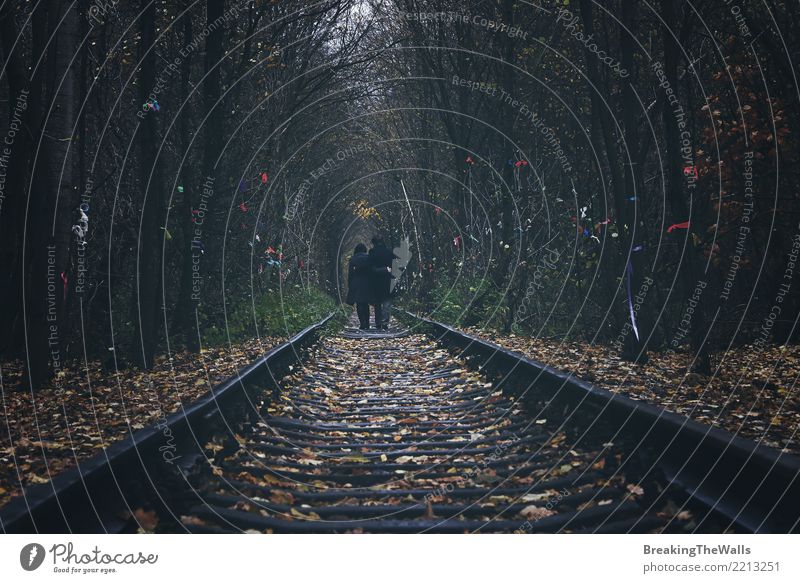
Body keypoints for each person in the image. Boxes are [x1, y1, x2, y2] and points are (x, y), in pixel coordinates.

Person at [368, 235, 398, 330]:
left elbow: (370, 268)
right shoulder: (389, 252)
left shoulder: (372, 252)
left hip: (376, 281)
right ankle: (385, 322)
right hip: (388, 280)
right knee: (387, 302)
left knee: (377, 303)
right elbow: (395, 266)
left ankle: (378, 323)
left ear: (374, 243)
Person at [346, 243, 373, 330]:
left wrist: (350, 284)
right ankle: (367, 323)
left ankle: (362, 323)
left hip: (356, 283)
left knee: (359, 304)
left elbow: (350, 273)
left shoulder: (353, 259)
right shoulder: (369, 258)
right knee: (366, 304)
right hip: (367, 282)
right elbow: (371, 270)